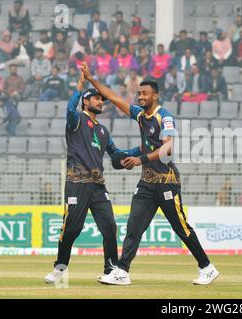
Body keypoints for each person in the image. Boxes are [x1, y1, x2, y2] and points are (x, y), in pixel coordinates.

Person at [82, 63, 220, 286]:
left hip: (167, 182)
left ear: (155, 95)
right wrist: (91, 79)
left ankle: (207, 267)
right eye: (138, 93)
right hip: (147, 183)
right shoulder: (140, 116)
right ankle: (122, 271)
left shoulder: (164, 117)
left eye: (144, 93)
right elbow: (114, 97)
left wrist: (140, 159)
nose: (140, 97)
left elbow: (168, 149)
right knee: (134, 225)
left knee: (181, 227)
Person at [44, 71, 140, 284]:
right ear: (86, 101)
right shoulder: (76, 120)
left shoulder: (103, 130)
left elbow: (116, 154)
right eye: (96, 98)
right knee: (71, 229)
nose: (101, 102)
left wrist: (139, 150)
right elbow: (70, 108)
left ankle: (112, 270)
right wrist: (79, 86)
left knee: (109, 227)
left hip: (98, 186)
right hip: (76, 184)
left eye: (102, 99)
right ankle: (60, 268)